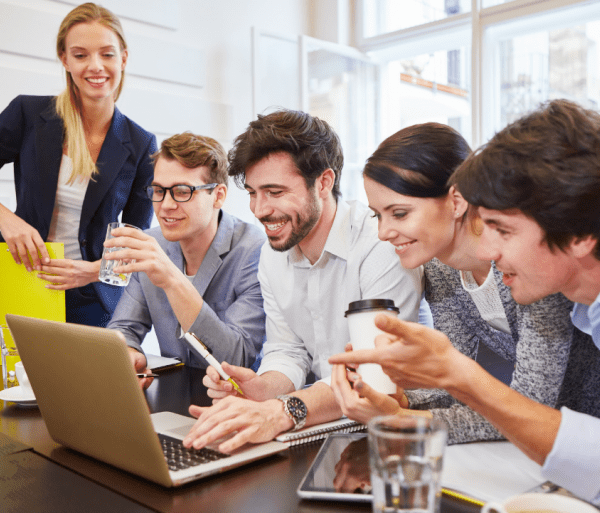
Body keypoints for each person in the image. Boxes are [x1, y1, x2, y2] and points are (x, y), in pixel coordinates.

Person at [329, 100, 600, 512]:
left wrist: (457, 377)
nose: (485, 247)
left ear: (579, 233)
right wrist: (417, 394)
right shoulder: (597, 306)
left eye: (501, 229)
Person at [329, 123, 600, 444]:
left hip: (595, 432)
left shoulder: (527, 265)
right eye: (377, 216)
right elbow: (454, 382)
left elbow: (526, 405)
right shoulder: (441, 270)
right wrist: (402, 398)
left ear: (457, 201)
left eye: (399, 213)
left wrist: (402, 419)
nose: (383, 232)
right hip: (539, 439)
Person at [181, 109, 430, 454]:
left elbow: (374, 377)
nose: (259, 209)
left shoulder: (381, 244)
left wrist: (283, 410)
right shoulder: (273, 253)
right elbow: (288, 350)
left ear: (324, 182)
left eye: (275, 191)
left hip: (391, 433)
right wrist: (263, 389)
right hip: (327, 428)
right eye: (253, 192)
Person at [0, 3, 155, 327]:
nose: (95, 66)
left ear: (124, 57)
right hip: (22, 279)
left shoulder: (141, 143)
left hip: (95, 298)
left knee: (90, 379)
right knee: (17, 378)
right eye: (81, 54)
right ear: (65, 59)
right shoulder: (27, 114)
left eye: (107, 54)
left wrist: (93, 271)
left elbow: (136, 235)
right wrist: (7, 220)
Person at [103, 132, 267, 389]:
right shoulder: (151, 243)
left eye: (182, 191)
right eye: (158, 190)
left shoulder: (254, 249)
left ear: (218, 195)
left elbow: (239, 359)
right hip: (176, 395)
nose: (166, 205)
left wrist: (172, 280)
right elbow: (124, 328)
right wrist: (130, 354)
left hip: (239, 400)